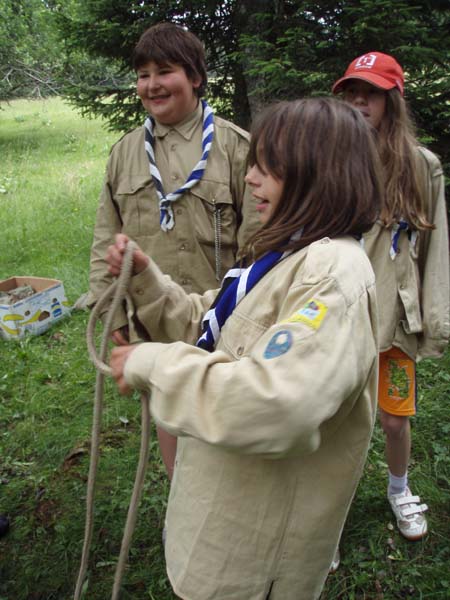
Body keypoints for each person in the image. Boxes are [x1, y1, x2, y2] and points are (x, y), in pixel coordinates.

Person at [106, 97, 382, 599]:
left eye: (267, 165)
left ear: (315, 171)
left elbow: (279, 403)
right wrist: (148, 281)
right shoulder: (288, 254)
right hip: (226, 513)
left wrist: (155, 363)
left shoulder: (332, 276)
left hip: (254, 562)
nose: (251, 178)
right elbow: (220, 326)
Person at [87, 22, 260, 481]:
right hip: (152, 315)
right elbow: (107, 237)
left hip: (219, 314)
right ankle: (180, 487)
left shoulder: (234, 147)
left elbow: (261, 242)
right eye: (143, 74)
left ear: (196, 76)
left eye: (165, 71)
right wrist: (115, 315)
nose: (152, 85)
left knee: (225, 410)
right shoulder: (125, 153)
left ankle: (229, 491)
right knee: (166, 402)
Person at [332, 52, 450, 542]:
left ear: (392, 100)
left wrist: (437, 315)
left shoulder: (421, 166)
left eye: (372, 93)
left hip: (395, 320)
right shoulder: (332, 157)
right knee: (335, 421)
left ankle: (399, 489)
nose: (360, 102)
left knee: (394, 419)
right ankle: (327, 515)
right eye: (352, 92)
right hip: (341, 315)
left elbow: (436, 245)